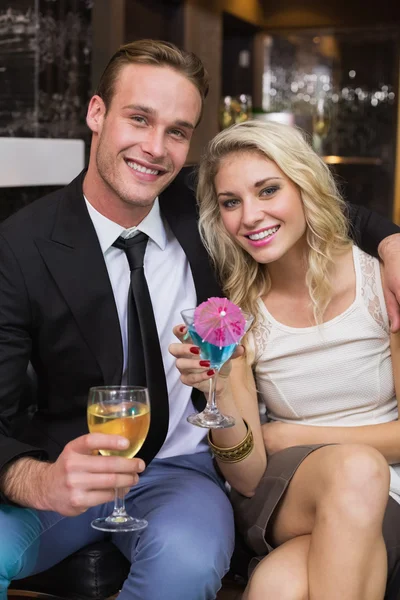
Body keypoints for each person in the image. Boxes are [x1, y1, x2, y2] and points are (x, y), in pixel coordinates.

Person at [0, 39, 399, 600]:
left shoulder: (207, 208)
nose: (154, 148)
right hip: (70, 472)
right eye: (138, 119)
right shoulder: (19, 247)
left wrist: (391, 242)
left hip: (182, 473)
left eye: (178, 131)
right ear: (96, 113)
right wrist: (35, 479)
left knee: (186, 568)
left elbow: (310, 208)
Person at [170, 119, 400, 600]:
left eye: (267, 190)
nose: (249, 216)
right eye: (231, 202)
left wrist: (292, 433)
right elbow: (248, 475)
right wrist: (220, 389)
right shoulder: (233, 312)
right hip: (287, 488)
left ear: (304, 187)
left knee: (278, 584)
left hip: (389, 487)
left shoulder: (383, 281)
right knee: (355, 469)